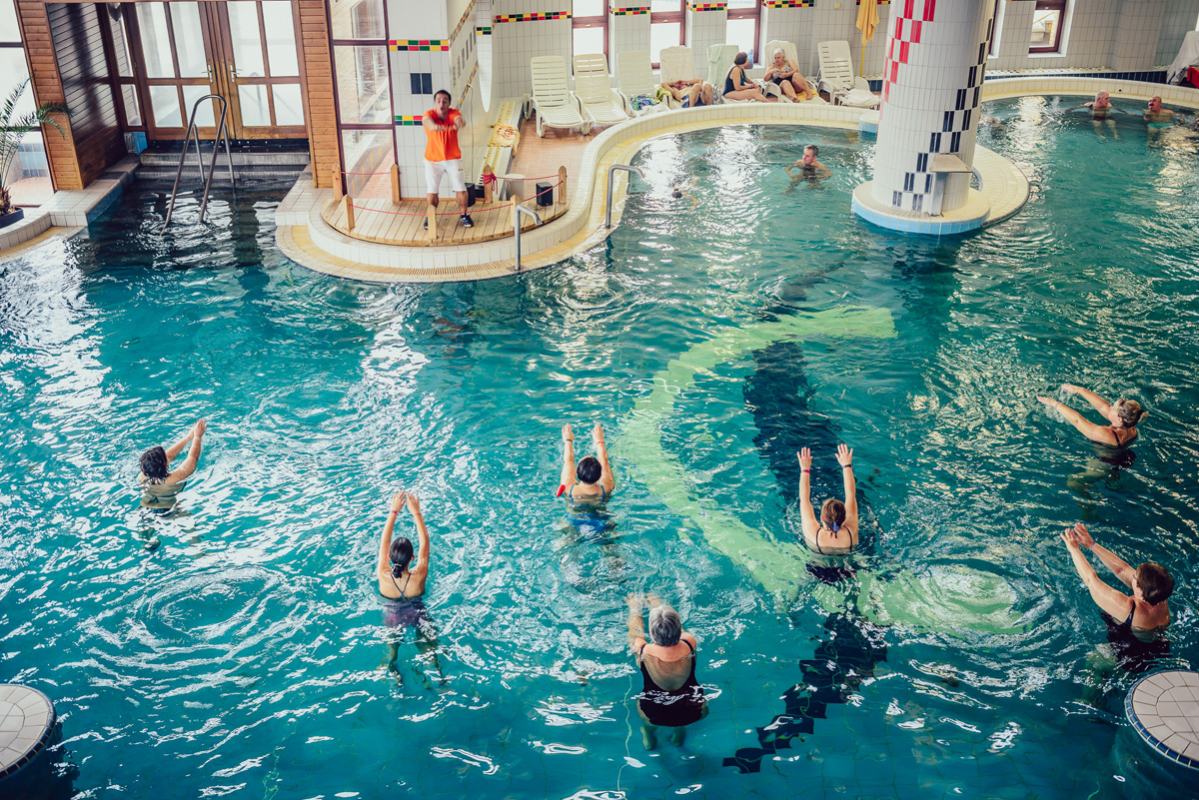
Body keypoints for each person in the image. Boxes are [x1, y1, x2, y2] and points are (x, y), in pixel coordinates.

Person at [1060, 523, 1172, 672]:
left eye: (1135, 576)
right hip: (1158, 646)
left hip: (1130, 654)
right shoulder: (1160, 595)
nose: (1132, 574)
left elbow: (1090, 580)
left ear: (1140, 591)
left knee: (1093, 661)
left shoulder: (1127, 607)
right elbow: (1122, 569)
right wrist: (1092, 545)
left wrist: (1074, 549)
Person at [376, 490, 443, 684]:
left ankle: (391, 668)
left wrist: (393, 511)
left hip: (392, 615)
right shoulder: (419, 574)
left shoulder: (382, 574)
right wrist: (417, 512)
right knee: (429, 649)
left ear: (388, 558)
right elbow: (425, 543)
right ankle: (439, 677)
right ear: (412, 558)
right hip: (418, 612)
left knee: (392, 647)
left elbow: (384, 541)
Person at [626, 593, 706, 749]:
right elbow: (678, 628)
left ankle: (648, 735)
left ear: (651, 633)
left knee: (645, 714)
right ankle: (678, 731)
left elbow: (634, 631)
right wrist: (657, 603)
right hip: (694, 709)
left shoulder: (642, 649)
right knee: (681, 709)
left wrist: (634, 607)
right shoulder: (689, 642)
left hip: (653, 713)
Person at [422, 89, 473, 229]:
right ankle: (431, 216)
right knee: (432, 189)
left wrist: (461, 123)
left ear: (449, 103)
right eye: (438, 101)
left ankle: (464, 215)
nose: (441, 104)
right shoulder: (429, 114)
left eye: (445, 101)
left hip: (452, 159)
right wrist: (438, 127)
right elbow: (428, 123)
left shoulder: (453, 113)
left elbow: (459, 120)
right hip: (432, 160)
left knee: (460, 188)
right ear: (435, 103)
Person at [1037, 384, 1146, 448]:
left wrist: (1054, 404)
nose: (1110, 407)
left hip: (1107, 462)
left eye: (1113, 408)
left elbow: (1077, 421)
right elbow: (1103, 406)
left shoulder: (1105, 434)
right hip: (1123, 449)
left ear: (1119, 419)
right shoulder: (1131, 423)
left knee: (1074, 480)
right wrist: (1078, 390)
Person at [797, 444, 858, 554]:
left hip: (817, 564)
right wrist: (846, 465)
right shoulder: (850, 531)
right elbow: (851, 494)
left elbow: (804, 498)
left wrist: (805, 469)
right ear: (845, 518)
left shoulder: (813, 534)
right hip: (847, 563)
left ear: (821, 518)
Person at [139, 419, 207, 507]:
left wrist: (188, 437)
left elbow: (168, 456)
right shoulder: (174, 479)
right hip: (169, 511)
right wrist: (197, 436)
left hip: (145, 507)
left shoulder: (142, 476)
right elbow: (193, 457)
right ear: (165, 464)